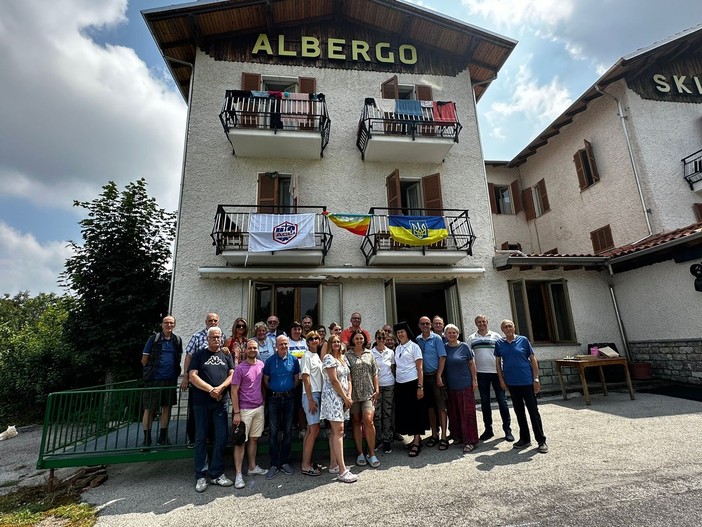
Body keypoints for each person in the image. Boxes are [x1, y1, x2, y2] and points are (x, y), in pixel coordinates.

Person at [188, 327, 235, 492]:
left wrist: (220, 388)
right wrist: (210, 390)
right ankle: (201, 475)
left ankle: (216, 473)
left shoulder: (226, 355)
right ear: (207, 338)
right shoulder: (199, 355)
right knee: (201, 438)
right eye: (213, 337)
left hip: (220, 403)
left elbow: (232, 374)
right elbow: (192, 376)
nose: (216, 339)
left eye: (219, 337)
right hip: (201, 403)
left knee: (221, 437)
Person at [495, 320, 548, 453]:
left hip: (526, 382)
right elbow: (497, 363)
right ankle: (525, 439)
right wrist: (501, 379)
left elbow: (533, 359)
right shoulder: (499, 343)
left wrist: (536, 379)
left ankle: (541, 440)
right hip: (512, 383)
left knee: (533, 411)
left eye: (510, 326)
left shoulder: (523, 340)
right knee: (519, 412)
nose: (508, 328)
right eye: (505, 327)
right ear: (502, 330)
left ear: (514, 327)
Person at [181, 313, 226, 446]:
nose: (213, 322)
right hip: (199, 382)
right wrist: (186, 376)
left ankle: (211, 437)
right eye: (210, 320)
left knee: (214, 413)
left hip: (215, 383)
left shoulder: (221, 335)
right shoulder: (197, 336)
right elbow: (189, 356)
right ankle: (193, 438)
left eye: (215, 320)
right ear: (206, 322)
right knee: (196, 412)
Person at [467, 315, 513, 442]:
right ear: (476, 324)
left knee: (502, 401)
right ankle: (488, 430)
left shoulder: (496, 336)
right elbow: (469, 358)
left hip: (496, 373)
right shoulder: (471, 338)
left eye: (483, 321)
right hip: (481, 374)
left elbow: (502, 355)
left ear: (487, 322)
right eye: (479, 322)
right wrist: (473, 377)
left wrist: (504, 373)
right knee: (485, 402)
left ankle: (507, 430)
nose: (482, 324)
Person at [230, 339, 268, 488]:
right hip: (244, 409)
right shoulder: (240, 368)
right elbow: (234, 391)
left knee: (253, 439)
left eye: (255, 348)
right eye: (250, 348)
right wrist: (237, 412)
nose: (252, 350)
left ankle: (252, 467)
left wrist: (263, 401)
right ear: (245, 350)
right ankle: (239, 474)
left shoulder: (261, 365)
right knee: (240, 442)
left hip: (259, 407)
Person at [141, 315, 183, 447]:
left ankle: (163, 437)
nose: (168, 325)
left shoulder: (177, 340)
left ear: (174, 325)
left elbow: (179, 357)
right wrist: (151, 371)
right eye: (166, 323)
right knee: (149, 408)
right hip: (154, 379)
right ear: (162, 324)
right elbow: (144, 360)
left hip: (170, 379)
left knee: (167, 407)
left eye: (171, 323)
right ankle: (146, 438)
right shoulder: (153, 339)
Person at [320, 335, 357, 483]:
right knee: (339, 431)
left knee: (336, 432)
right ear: (330, 344)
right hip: (333, 397)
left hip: (343, 397)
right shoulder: (329, 358)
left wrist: (348, 395)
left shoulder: (343, 358)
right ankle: (342, 471)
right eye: (333, 342)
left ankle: (334, 464)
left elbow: (349, 378)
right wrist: (345, 397)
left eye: (338, 341)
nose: (336, 344)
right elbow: (334, 380)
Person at [262, 335, 300, 479]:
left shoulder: (294, 359)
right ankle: (273, 464)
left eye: (285, 344)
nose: (284, 346)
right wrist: (275, 390)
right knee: (273, 432)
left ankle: (284, 462)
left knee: (288, 431)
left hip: (289, 398)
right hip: (274, 400)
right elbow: (265, 381)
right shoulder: (270, 361)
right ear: (276, 346)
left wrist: (287, 390)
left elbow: (296, 379)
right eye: (281, 344)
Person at [346, 329, 380, 468]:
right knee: (355, 422)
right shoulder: (347, 355)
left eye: (361, 338)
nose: (359, 340)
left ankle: (371, 453)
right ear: (353, 340)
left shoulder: (369, 354)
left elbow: (375, 372)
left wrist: (377, 389)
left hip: (368, 393)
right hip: (354, 395)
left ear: (364, 340)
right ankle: (360, 453)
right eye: (356, 338)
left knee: (368, 420)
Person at [393, 322, 427, 458]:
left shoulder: (414, 347)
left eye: (402, 331)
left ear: (407, 332)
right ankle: (414, 438)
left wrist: (420, 386)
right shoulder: (398, 348)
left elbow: (420, 368)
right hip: (401, 384)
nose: (400, 334)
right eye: (398, 332)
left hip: (413, 383)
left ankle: (417, 442)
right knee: (407, 413)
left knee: (416, 412)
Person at [443, 324, 479, 453]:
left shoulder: (464, 346)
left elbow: (471, 364)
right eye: (449, 333)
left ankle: (470, 440)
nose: (452, 335)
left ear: (458, 334)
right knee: (454, 413)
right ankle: (457, 436)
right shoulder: (444, 348)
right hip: (451, 387)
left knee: (467, 414)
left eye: (454, 333)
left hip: (465, 385)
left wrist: (474, 381)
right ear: (445, 335)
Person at [416, 316, 448, 450]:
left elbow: (442, 357)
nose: (425, 325)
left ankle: (444, 437)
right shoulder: (417, 340)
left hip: (436, 376)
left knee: (441, 407)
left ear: (431, 325)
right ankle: (434, 434)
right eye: (422, 323)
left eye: (427, 323)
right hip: (425, 377)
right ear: (419, 325)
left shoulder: (437, 338)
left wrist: (439, 375)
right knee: (429, 407)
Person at [300, 330, 324, 476]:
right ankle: (305, 466)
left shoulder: (316, 356)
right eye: (312, 338)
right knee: (314, 430)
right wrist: (310, 400)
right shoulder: (306, 356)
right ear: (308, 342)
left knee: (310, 430)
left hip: (318, 393)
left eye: (317, 338)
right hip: (311, 394)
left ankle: (306, 461)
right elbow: (306, 378)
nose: (315, 340)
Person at [371, 329, 395, 454]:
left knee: (387, 413)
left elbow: (392, 368)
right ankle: (377, 438)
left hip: (389, 385)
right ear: (376, 339)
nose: (381, 340)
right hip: (377, 387)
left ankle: (387, 440)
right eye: (379, 338)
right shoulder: (371, 353)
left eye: (383, 338)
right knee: (377, 414)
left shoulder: (390, 352)